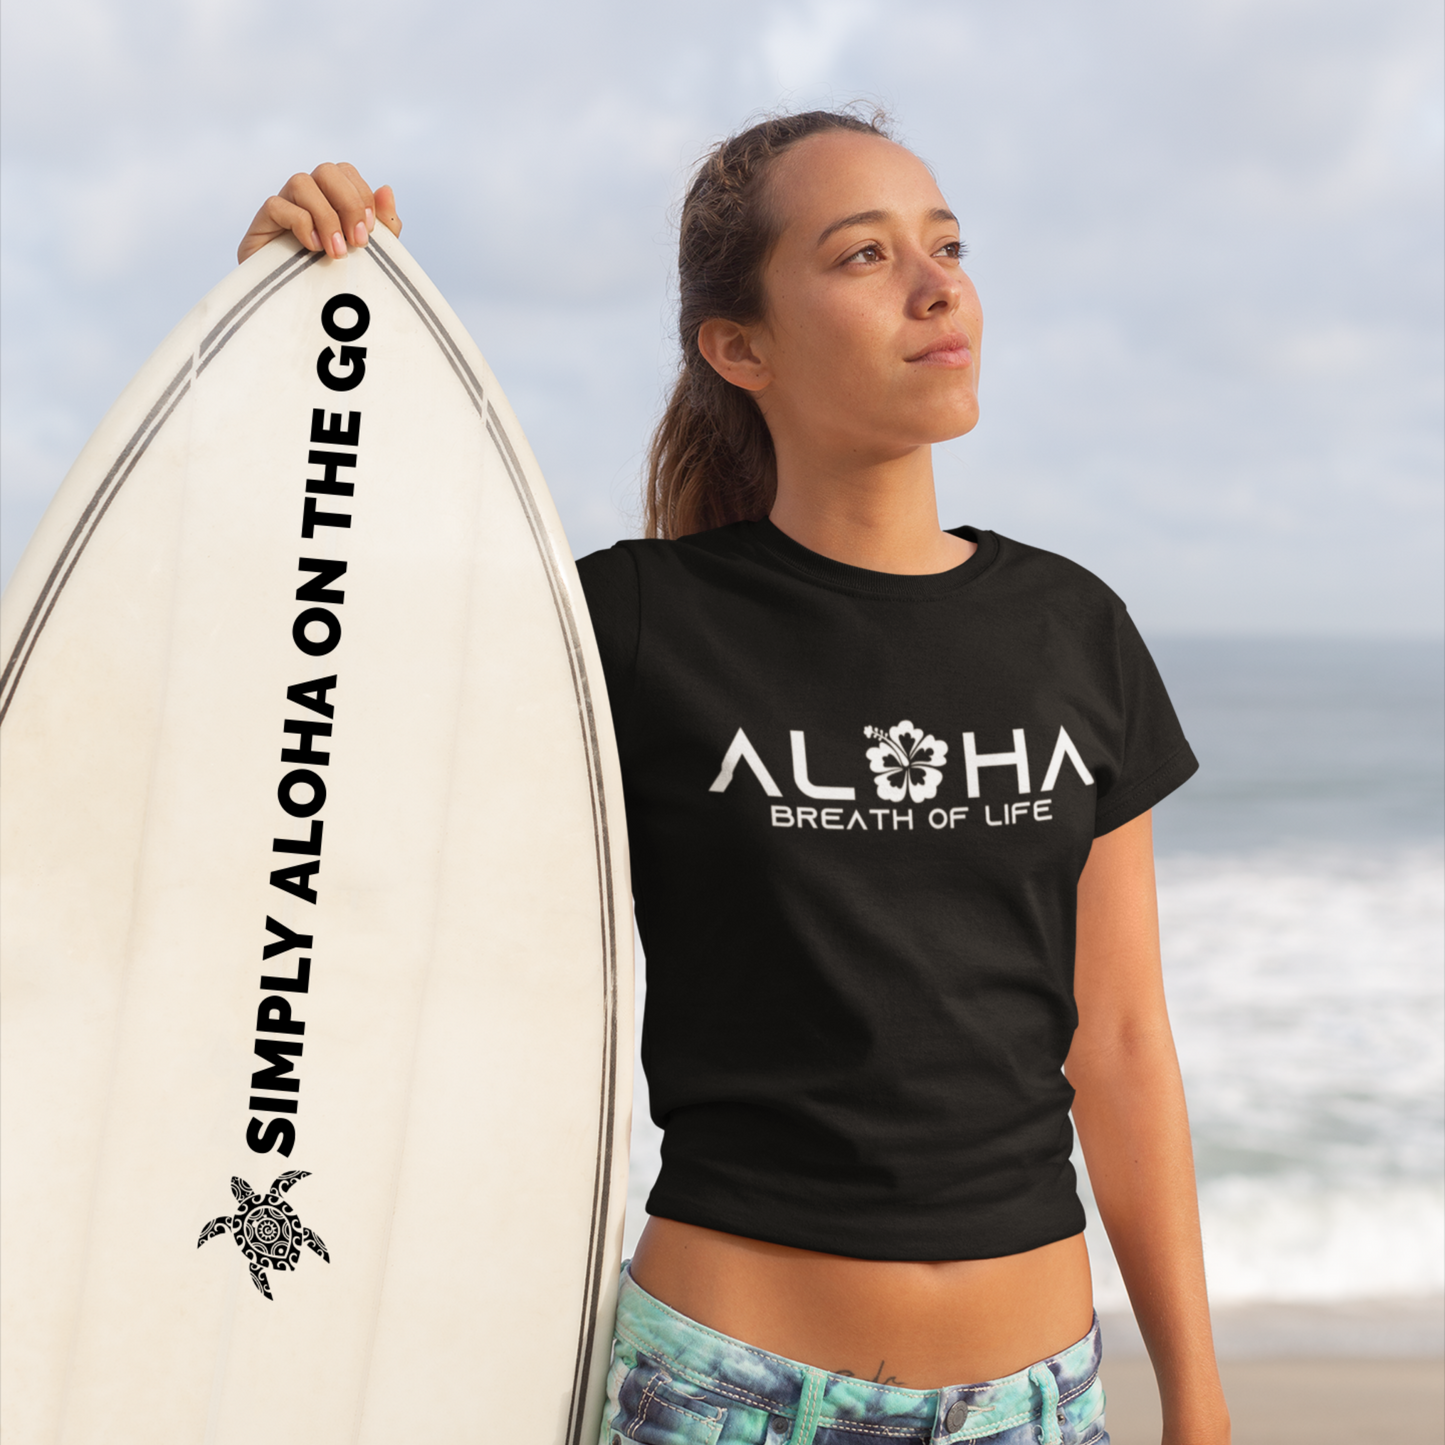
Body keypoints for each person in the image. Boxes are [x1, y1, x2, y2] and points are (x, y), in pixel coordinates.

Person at [241, 109, 1230, 1445]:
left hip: (1036, 1400)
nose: (938, 285)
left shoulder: (1074, 631)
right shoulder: (636, 624)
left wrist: (1199, 1395)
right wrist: (293, 352)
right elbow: (318, 718)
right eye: (864, 256)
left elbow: (1118, 1046)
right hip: (721, 1392)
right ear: (738, 346)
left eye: (946, 245)